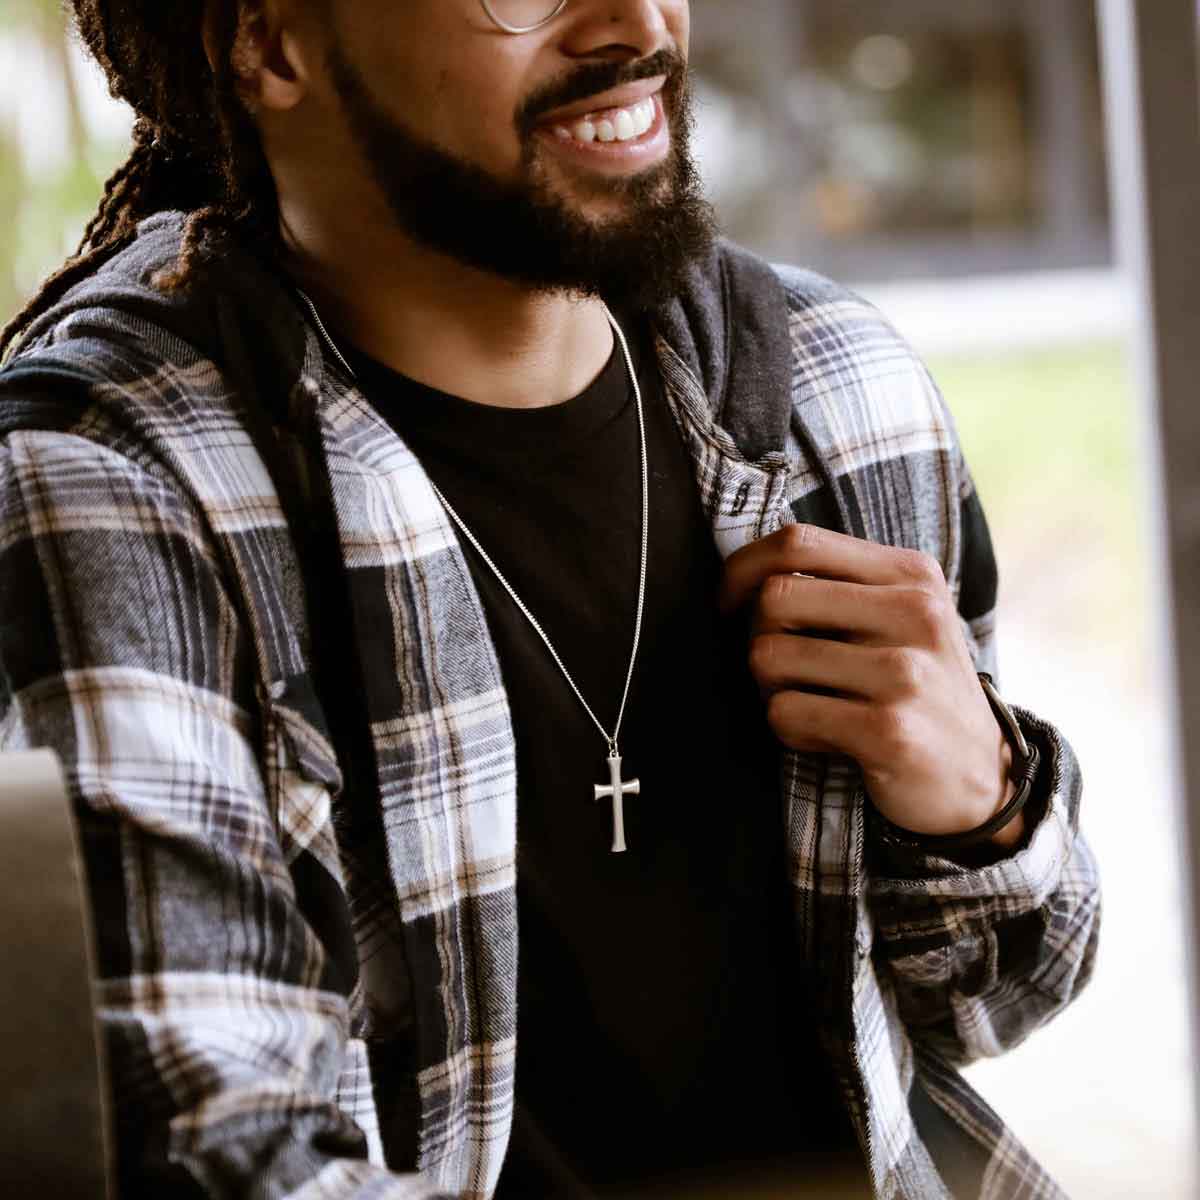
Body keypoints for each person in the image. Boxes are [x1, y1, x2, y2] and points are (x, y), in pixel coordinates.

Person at [0, 1, 1100, 1197]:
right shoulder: (107, 484)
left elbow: (1001, 996)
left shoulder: (839, 388)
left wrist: (981, 805)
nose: (635, 21)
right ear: (270, 43)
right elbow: (214, 1158)